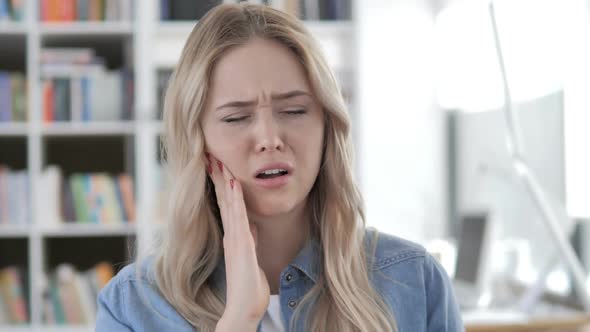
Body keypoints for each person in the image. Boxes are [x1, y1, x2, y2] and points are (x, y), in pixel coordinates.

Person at [96, 3, 463, 332]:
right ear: (198, 142)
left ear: (327, 127)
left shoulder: (414, 280)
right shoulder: (133, 306)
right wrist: (239, 319)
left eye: (294, 111)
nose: (270, 138)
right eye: (237, 117)